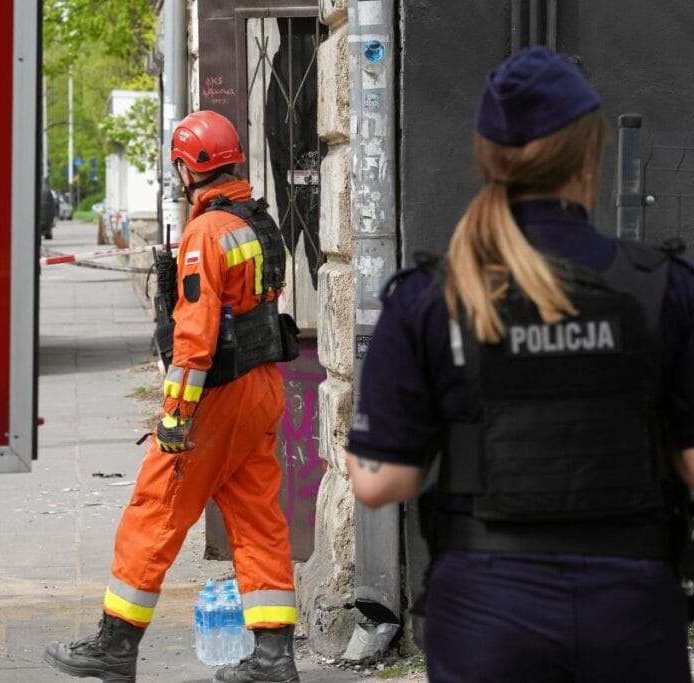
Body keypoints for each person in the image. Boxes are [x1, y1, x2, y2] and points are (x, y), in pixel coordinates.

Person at [345, 46, 694, 682]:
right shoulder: (663, 289)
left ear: (487, 158)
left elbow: (378, 483)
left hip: (486, 613)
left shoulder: (432, 298)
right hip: (631, 608)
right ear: (593, 151)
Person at [44, 109, 301, 683]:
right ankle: (273, 659)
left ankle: (115, 647)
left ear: (189, 168)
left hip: (218, 396)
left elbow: (195, 340)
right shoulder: (257, 222)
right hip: (261, 388)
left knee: (154, 511)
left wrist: (174, 420)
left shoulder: (205, 233)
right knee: (259, 519)